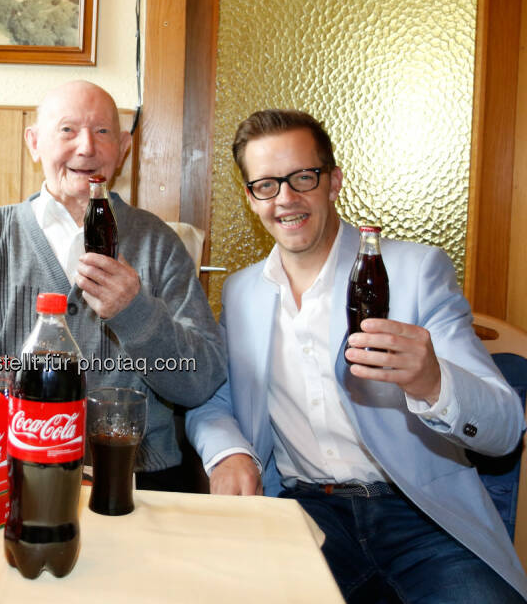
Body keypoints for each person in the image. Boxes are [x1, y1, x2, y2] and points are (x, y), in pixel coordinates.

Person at [185, 109, 527, 602]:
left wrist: (433, 381)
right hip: (304, 513)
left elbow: (505, 428)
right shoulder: (241, 294)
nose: (285, 199)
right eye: (266, 185)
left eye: (303, 177)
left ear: (333, 182)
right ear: (250, 197)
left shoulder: (413, 271)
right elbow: (212, 400)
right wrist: (229, 453)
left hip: (421, 515)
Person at [0, 80, 227, 491]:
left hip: (136, 477)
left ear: (124, 148)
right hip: (8, 472)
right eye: (67, 130)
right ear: (34, 143)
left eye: (103, 132)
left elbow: (200, 382)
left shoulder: (158, 242)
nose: (87, 148)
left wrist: (136, 313)